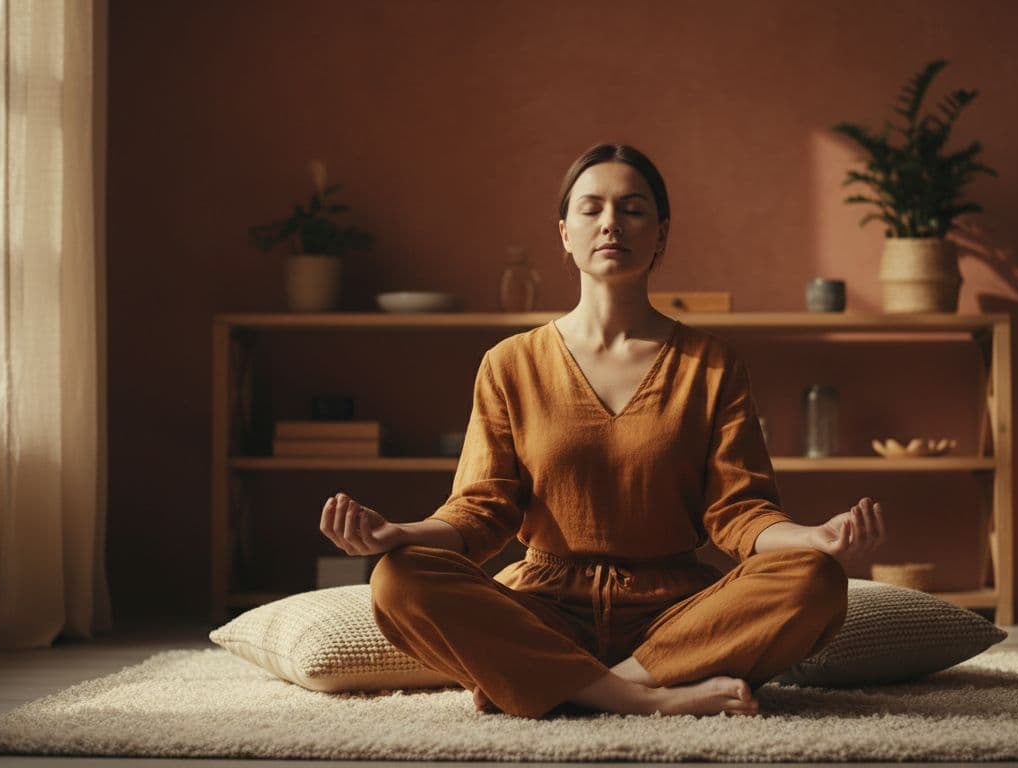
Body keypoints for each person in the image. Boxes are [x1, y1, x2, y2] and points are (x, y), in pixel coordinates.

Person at [318, 143, 887, 719]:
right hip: (544, 609)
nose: (611, 223)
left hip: (676, 615)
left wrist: (813, 538)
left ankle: (562, 685)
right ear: (565, 233)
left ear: (661, 233)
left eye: (633, 209)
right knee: (399, 578)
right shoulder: (510, 362)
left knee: (815, 580)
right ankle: (640, 698)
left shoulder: (711, 364)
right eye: (592, 209)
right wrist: (398, 533)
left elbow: (740, 513)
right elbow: (480, 510)